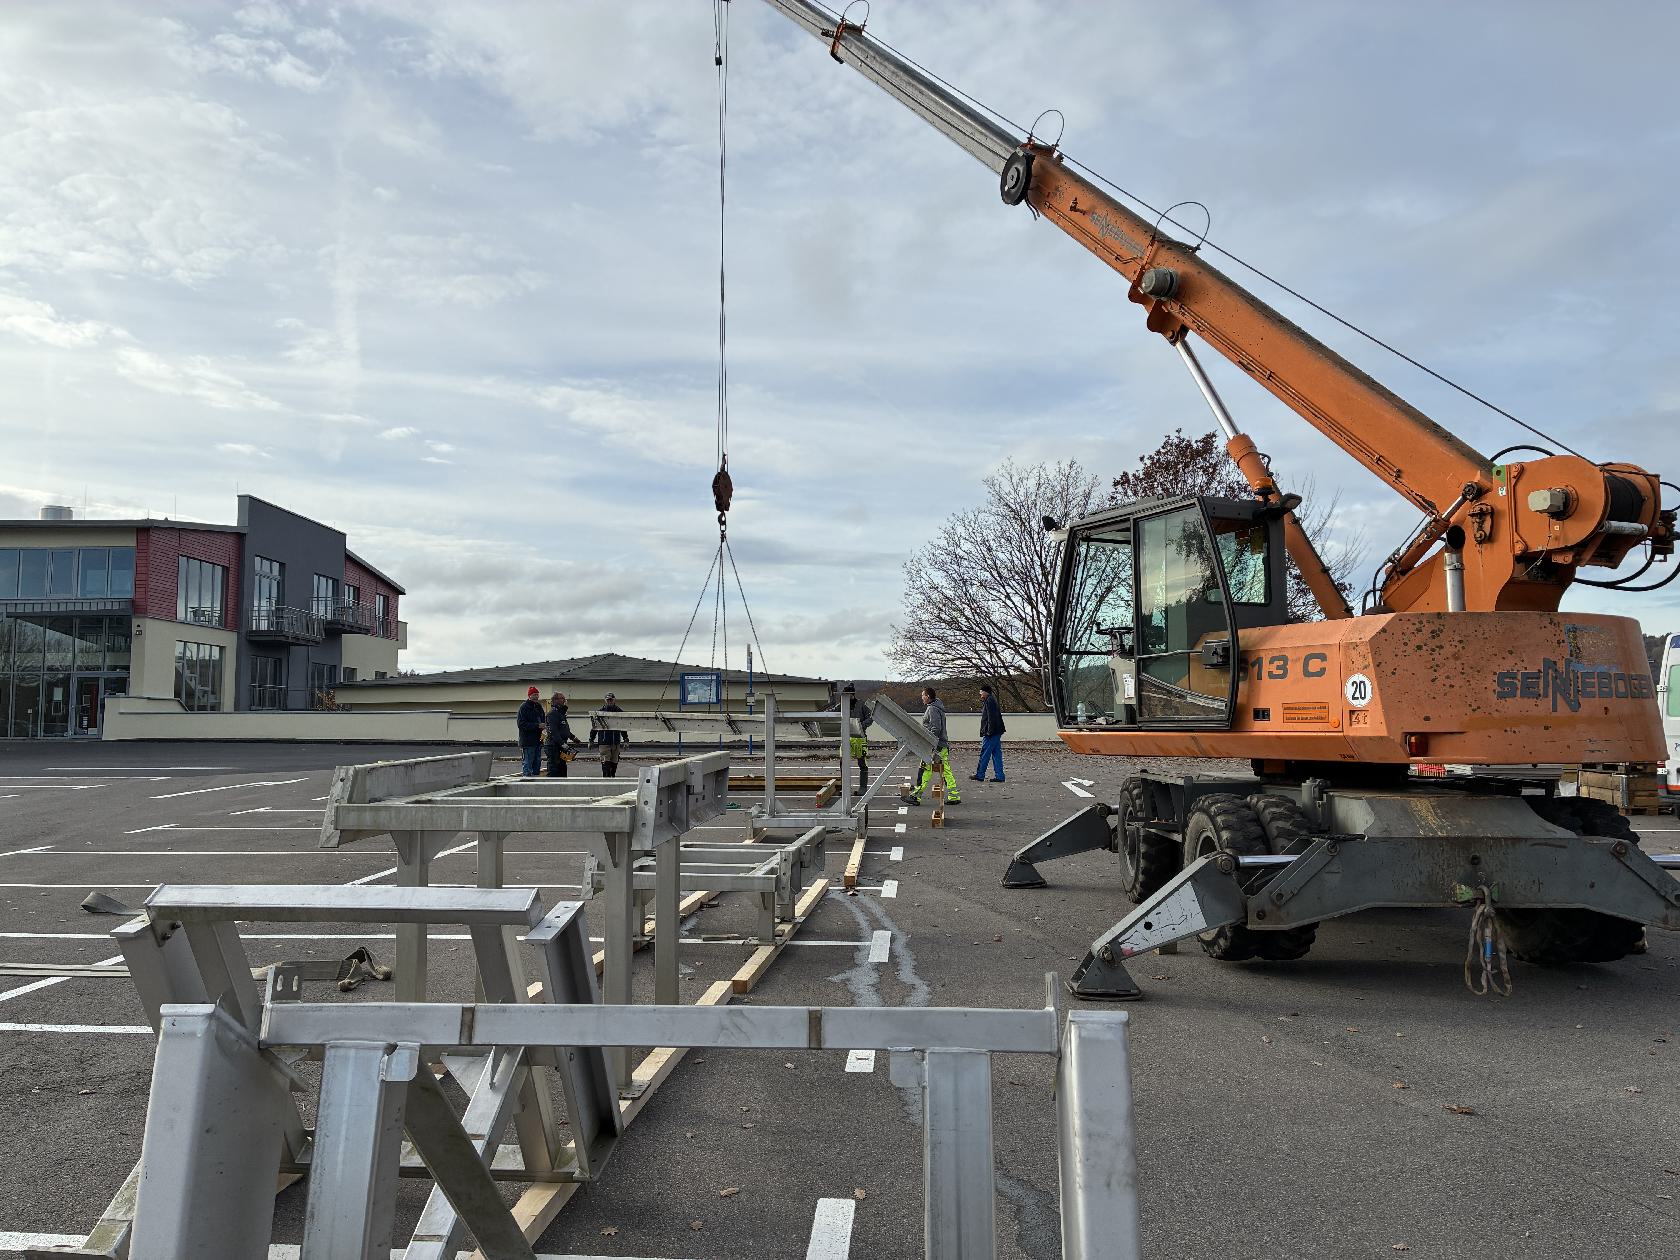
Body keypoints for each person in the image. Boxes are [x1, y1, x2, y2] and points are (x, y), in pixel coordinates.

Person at [908, 686, 960, 806]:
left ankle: (916, 796)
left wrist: (929, 742)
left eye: (923, 695)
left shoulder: (932, 709)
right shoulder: (937, 707)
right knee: (944, 770)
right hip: (941, 745)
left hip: (936, 746)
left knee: (925, 769)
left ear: (928, 696)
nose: (922, 697)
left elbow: (936, 728)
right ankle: (954, 795)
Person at [971, 683, 1007, 783]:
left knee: (985, 754)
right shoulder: (991, 700)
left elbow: (991, 718)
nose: (980, 695)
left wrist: (989, 732)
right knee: (996, 754)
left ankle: (980, 775)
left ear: (985, 692)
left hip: (991, 732)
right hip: (997, 731)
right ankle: (1000, 776)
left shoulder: (989, 701)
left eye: (981, 693)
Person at [545, 691, 583, 777]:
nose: (564, 700)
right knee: (554, 769)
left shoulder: (561, 713)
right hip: (553, 746)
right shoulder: (552, 714)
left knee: (562, 768)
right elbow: (554, 732)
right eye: (562, 698)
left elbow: (564, 729)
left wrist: (573, 737)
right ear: (555, 700)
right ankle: (552, 784)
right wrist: (563, 744)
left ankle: (562, 784)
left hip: (560, 745)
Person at [590, 691, 628, 777]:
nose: (609, 701)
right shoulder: (599, 713)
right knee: (606, 766)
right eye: (608, 700)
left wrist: (626, 739)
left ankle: (612, 780)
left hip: (616, 743)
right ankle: (606, 781)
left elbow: (623, 728)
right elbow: (594, 728)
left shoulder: (619, 712)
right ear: (605, 700)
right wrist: (591, 740)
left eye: (611, 700)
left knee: (614, 766)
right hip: (604, 743)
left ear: (614, 700)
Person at [515, 686, 545, 777]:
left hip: (538, 741)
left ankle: (535, 781)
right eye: (534, 695)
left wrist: (544, 726)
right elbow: (521, 724)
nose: (536, 696)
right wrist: (537, 726)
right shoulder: (524, 707)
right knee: (528, 763)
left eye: (537, 694)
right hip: (527, 742)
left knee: (537, 763)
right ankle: (527, 781)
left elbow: (543, 719)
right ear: (529, 696)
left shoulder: (538, 706)